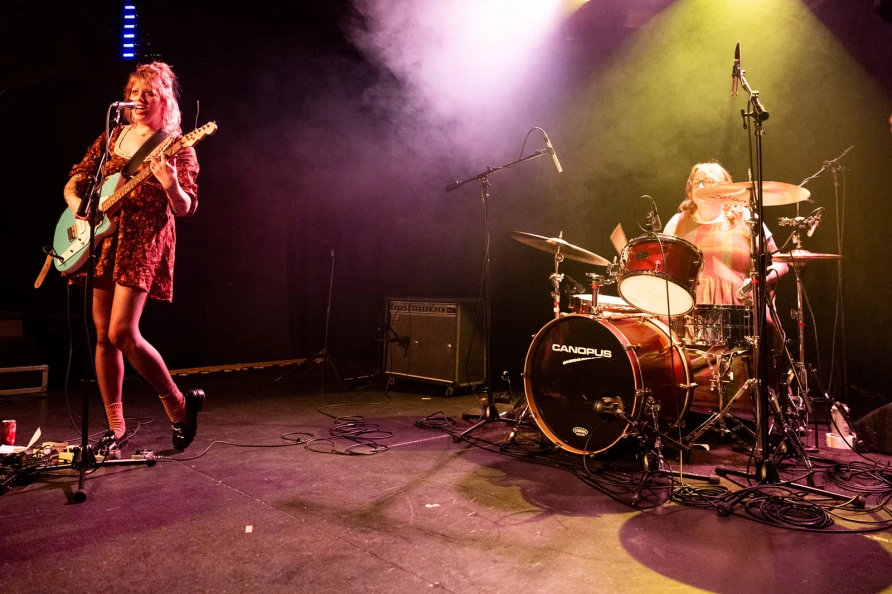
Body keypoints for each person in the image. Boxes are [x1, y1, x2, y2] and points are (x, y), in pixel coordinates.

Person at [63, 61, 204, 457]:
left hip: (143, 241)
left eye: (149, 93)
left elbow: (185, 206)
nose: (139, 100)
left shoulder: (178, 146)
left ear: (164, 100)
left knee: (122, 332)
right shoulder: (114, 137)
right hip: (104, 240)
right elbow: (77, 177)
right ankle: (116, 427)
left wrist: (171, 184)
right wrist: (77, 204)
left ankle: (178, 403)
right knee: (102, 333)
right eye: (135, 91)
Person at [663, 161, 788, 307]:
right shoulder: (677, 222)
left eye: (708, 181)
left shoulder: (746, 217)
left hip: (741, 311)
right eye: (696, 183)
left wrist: (759, 281)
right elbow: (662, 270)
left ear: (724, 187)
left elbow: (781, 263)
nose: (701, 187)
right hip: (689, 315)